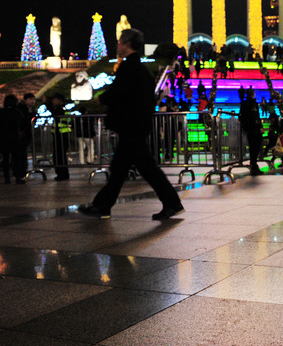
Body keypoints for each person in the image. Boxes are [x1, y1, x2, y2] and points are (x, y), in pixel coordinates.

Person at [79, 29, 183, 219]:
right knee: (121, 170)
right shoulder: (138, 68)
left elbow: (120, 91)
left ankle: (172, 203)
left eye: (119, 42)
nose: (117, 45)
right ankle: (102, 205)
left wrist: (101, 99)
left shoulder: (130, 67)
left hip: (131, 127)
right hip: (135, 126)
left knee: (144, 169)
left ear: (126, 44)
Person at [0, 95, 25, 184]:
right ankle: (17, 176)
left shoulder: (2, 112)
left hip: (3, 138)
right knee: (16, 158)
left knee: (5, 158)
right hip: (14, 137)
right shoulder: (17, 112)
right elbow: (22, 124)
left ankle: (7, 177)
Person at [239, 90, 263, 175]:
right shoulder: (252, 104)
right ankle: (254, 165)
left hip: (250, 129)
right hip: (253, 129)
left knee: (253, 147)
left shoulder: (245, 103)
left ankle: (254, 164)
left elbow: (242, 116)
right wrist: (260, 126)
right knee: (255, 147)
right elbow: (256, 116)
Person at [48, 93, 71, 181]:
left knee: (59, 156)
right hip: (60, 134)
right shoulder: (63, 108)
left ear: (59, 100)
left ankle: (62, 174)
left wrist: (47, 103)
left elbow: (54, 113)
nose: (52, 102)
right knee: (60, 156)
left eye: (54, 100)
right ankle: (63, 174)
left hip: (60, 135)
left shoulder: (60, 109)